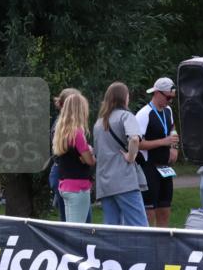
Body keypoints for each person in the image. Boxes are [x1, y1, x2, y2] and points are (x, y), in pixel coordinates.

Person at [92, 82, 147, 226]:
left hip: (105, 182)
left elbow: (97, 152)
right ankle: (143, 250)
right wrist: (130, 156)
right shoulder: (126, 116)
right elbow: (134, 138)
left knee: (112, 228)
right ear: (124, 98)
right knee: (139, 226)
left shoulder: (99, 123)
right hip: (124, 180)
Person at [136, 77, 180, 227]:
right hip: (149, 168)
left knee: (165, 210)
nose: (170, 101)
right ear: (157, 93)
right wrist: (164, 142)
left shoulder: (168, 110)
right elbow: (137, 144)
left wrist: (174, 148)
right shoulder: (143, 114)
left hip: (165, 168)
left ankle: (162, 247)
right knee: (149, 213)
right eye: (168, 97)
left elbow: (173, 129)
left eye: (172, 98)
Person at [52, 93, 96, 223]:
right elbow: (89, 160)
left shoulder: (61, 131)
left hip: (65, 184)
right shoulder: (77, 133)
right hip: (78, 187)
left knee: (70, 227)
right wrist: (91, 152)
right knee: (78, 230)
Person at [48, 87, 84, 222]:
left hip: (63, 174)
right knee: (71, 222)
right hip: (64, 175)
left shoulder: (66, 124)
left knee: (74, 220)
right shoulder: (63, 126)